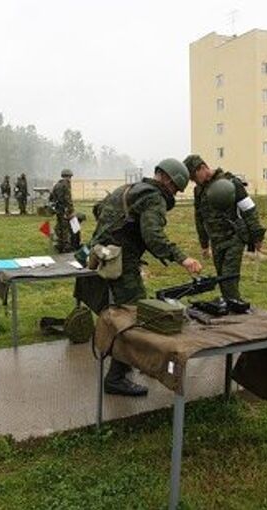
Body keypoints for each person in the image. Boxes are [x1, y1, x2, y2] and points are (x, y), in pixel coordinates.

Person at [89, 158, 202, 396]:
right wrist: (183, 258)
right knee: (132, 317)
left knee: (118, 310)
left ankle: (123, 363)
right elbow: (153, 235)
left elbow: (99, 210)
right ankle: (116, 377)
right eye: (176, 189)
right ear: (170, 181)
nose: (173, 194)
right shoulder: (153, 197)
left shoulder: (129, 188)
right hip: (121, 263)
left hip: (103, 256)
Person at [183, 154, 266, 301]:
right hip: (216, 240)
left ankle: (236, 310)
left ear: (202, 168)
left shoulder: (231, 183)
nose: (194, 181)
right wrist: (204, 244)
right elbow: (199, 217)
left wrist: (257, 236)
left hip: (233, 237)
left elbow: (249, 209)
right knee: (222, 278)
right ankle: (231, 306)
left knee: (228, 278)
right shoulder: (199, 191)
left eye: (194, 177)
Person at [50, 168, 75, 253]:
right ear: (68, 176)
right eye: (70, 177)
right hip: (65, 210)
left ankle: (59, 245)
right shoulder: (66, 184)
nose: (70, 179)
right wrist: (71, 210)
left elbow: (51, 197)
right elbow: (68, 199)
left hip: (58, 210)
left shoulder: (57, 185)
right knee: (65, 228)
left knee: (60, 226)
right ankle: (66, 247)